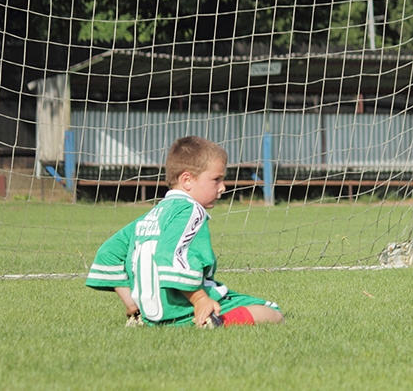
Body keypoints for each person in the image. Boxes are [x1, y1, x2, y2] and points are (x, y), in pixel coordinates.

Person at [86, 136, 284, 326]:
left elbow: (108, 253)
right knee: (272, 312)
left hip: (152, 317)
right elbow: (170, 255)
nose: (223, 187)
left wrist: (133, 305)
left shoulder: (150, 216)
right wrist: (200, 300)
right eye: (216, 179)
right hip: (184, 308)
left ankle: (141, 317)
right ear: (187, 180)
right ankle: (214, 321)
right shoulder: (191, 210)